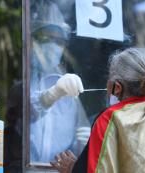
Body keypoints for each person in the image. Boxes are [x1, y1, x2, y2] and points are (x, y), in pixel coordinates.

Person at [29, 0, 90, 163]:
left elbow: (77, 140)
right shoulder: (25, 81)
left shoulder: (69, 92)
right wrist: (52, 94)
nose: (53, 45)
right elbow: (23, 116)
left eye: (59, 41)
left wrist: (84, 145)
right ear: (31, 40)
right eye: (46, 38)